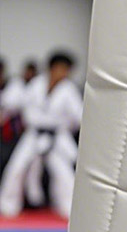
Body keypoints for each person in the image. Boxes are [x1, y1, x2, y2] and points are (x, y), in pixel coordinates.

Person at [0, 52, 82, 218]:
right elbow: (17, 104)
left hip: (57, 136)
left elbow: (78, 116)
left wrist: (66, 126)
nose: (63, 73)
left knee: (63, 172)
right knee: (17, 167)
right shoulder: (36, 84)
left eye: (66, 70)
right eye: (61, 68)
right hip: (33, 134)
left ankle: (68, 207)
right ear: (52, 67)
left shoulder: (69, 89)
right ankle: (8, 205)